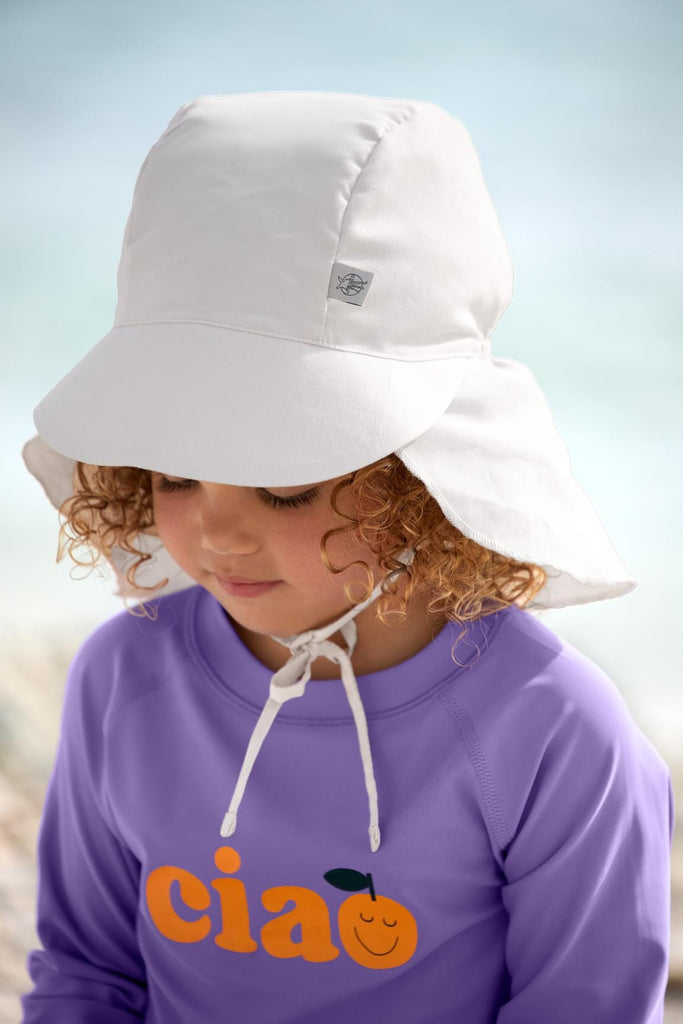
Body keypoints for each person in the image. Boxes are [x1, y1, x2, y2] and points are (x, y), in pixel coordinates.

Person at [19, 91, 673, 1023]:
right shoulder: (124, 677)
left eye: (284, 486)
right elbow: (87, 974)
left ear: (419, 476)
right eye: (173, 474)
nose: (218, 535)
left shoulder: (552, 731)